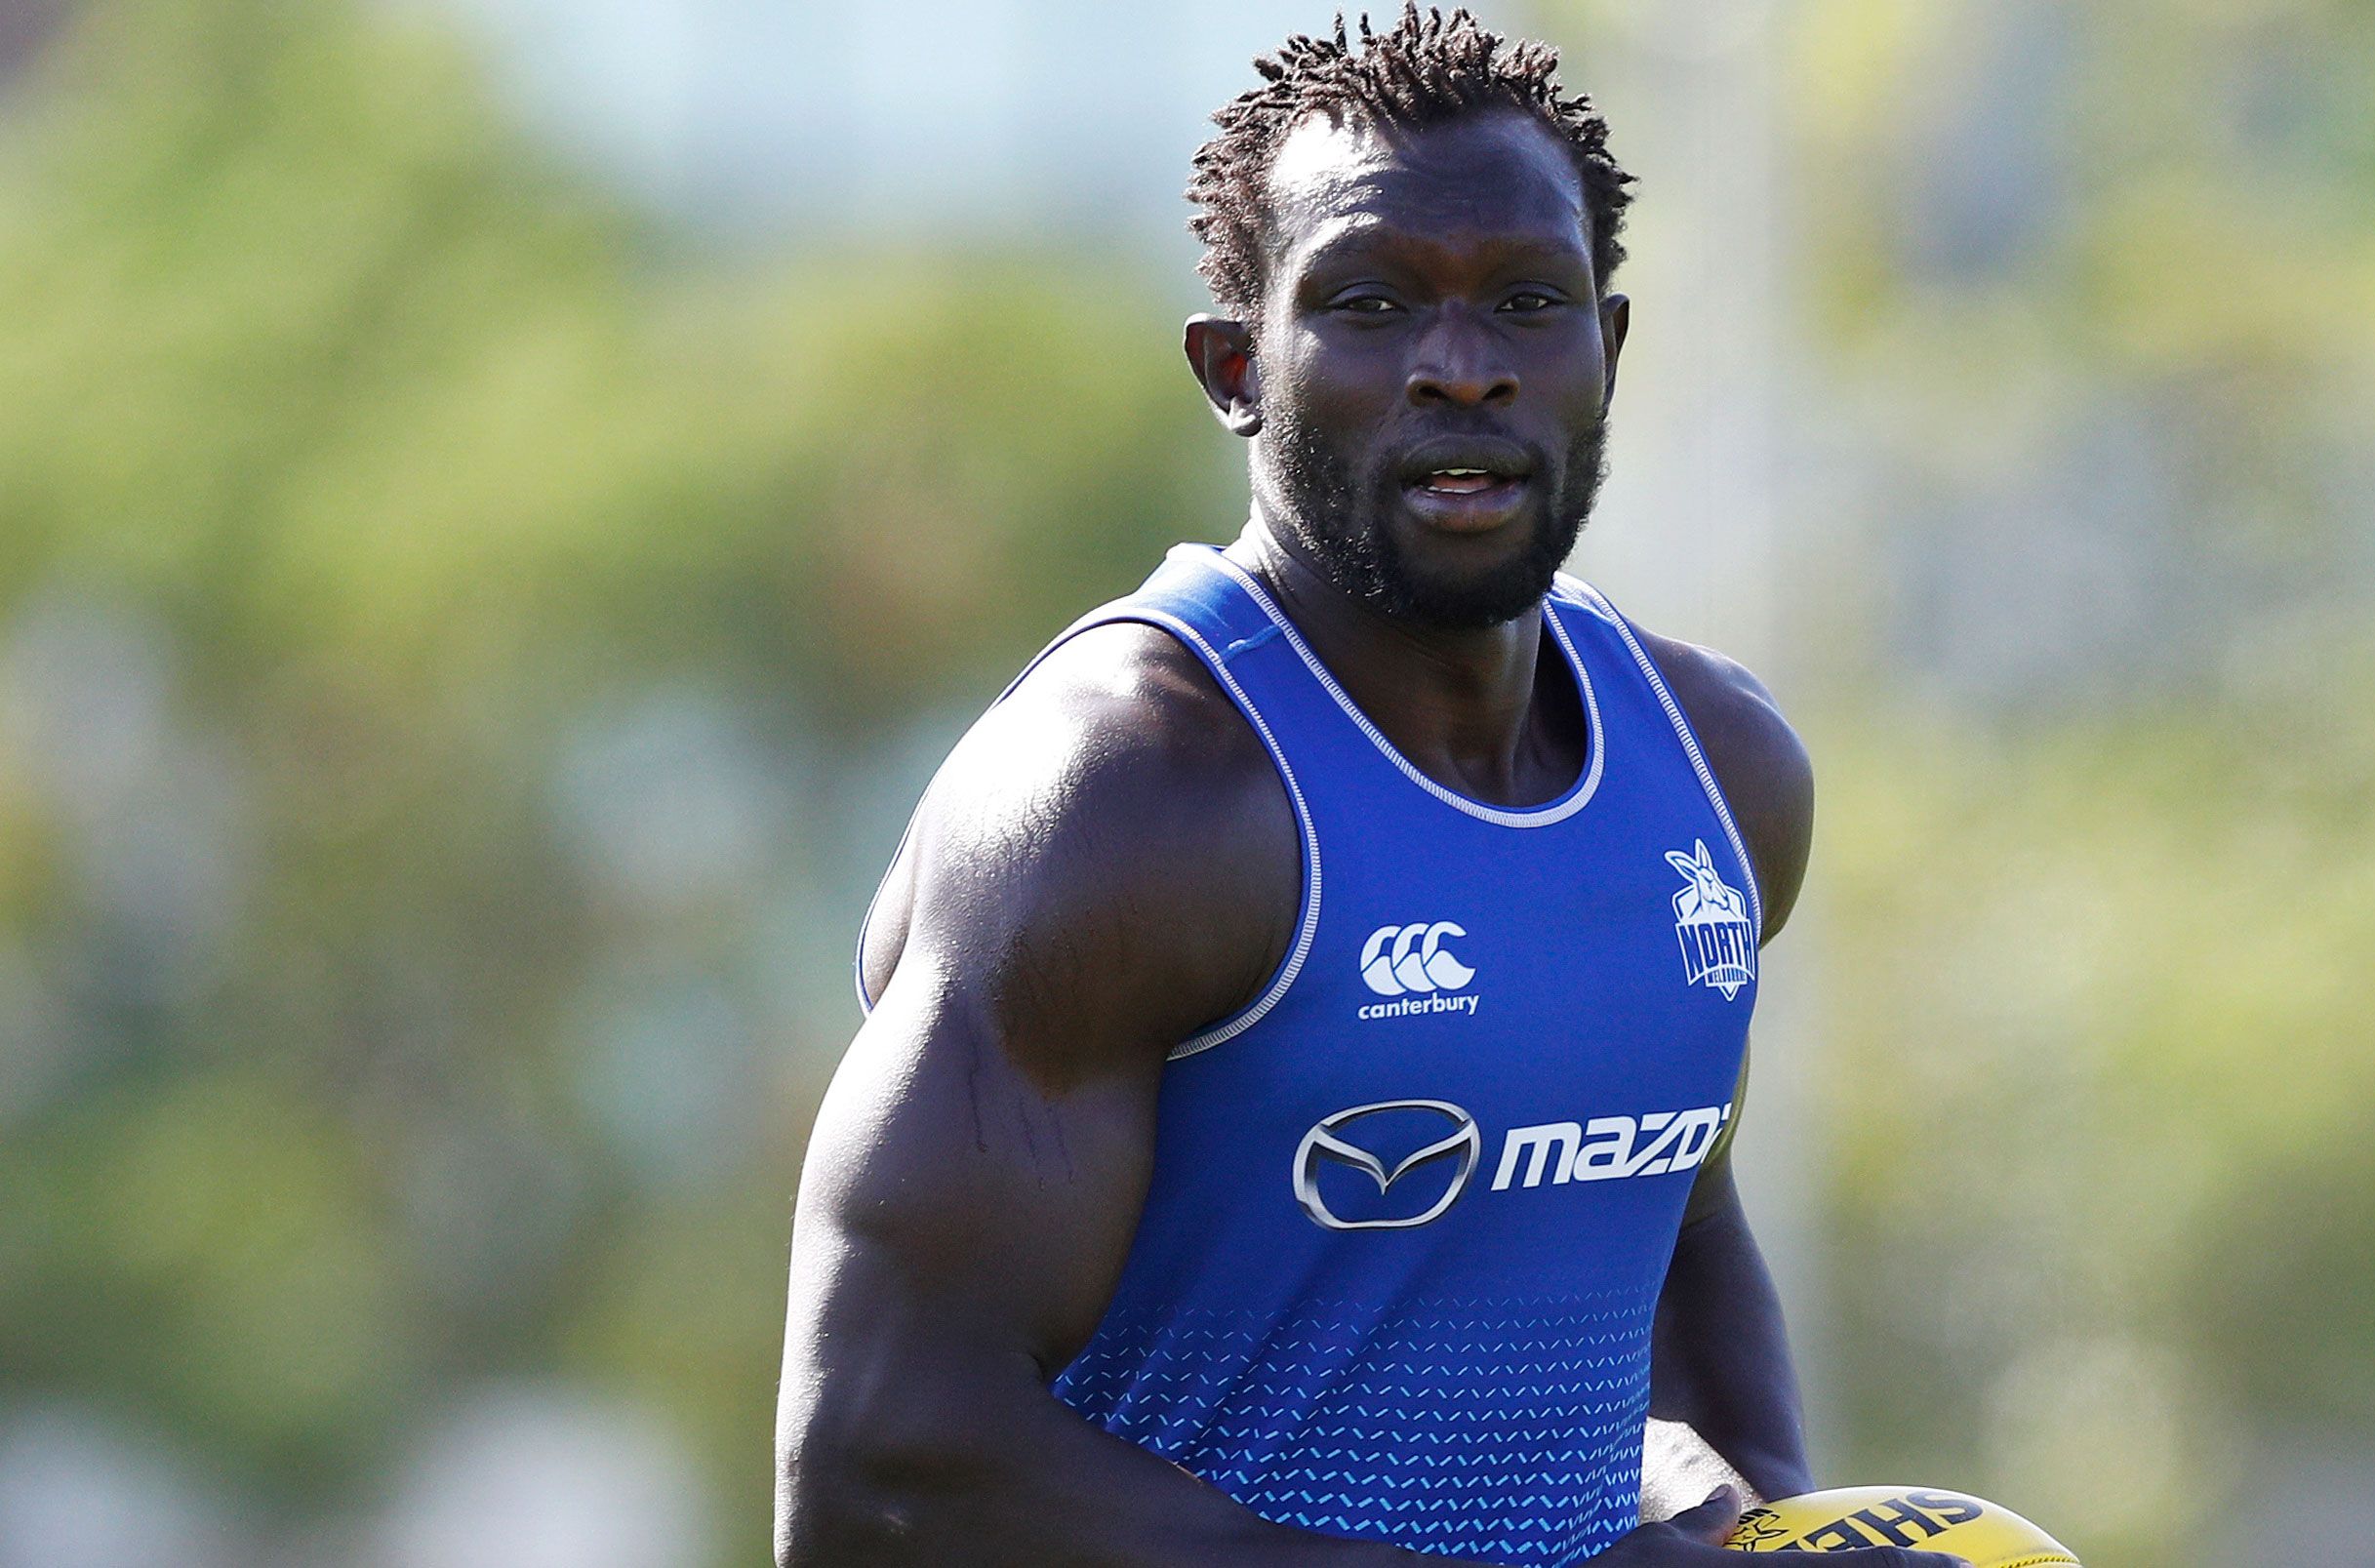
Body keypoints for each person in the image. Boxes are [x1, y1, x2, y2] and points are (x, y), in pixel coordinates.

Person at [776, 10, 1962, 1566]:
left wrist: (1768, 1526)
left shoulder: (1718, 776)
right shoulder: (1126, 800)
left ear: (1606, 351)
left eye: (1525, 302)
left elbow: (1660, 1216)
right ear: (1235, 370)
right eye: (1370, 304)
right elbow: (878, 1465)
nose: (1461, 370)